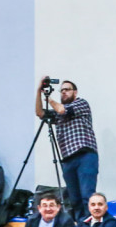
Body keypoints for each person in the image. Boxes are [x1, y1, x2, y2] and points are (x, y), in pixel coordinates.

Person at [36, 77, 98, 218]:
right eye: (62, 90)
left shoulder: (81, 103)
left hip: (85, 155)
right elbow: (40, 113)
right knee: (74, 199)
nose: (64, 92)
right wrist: (39, 92)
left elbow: (62, 110)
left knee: (87, 196)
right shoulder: (58, 113)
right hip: (68, 159)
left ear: (75, 92)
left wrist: (48, 99)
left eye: (67, 90)